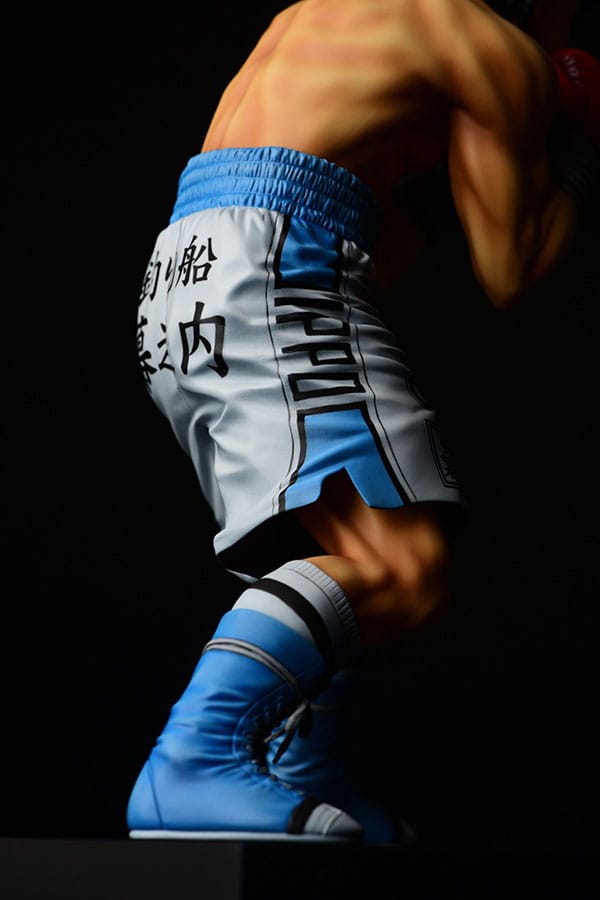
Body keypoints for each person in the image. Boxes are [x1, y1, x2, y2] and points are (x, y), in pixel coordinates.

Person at [129, 0, 599, 843]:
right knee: (405, 569)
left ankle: (298, 768)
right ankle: (190, 762)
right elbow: (512, 269)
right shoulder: (489, 48)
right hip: (271, 265)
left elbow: (384, 255)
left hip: (186, 276)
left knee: (342, 550)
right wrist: (575, 147)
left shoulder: (328, 17)